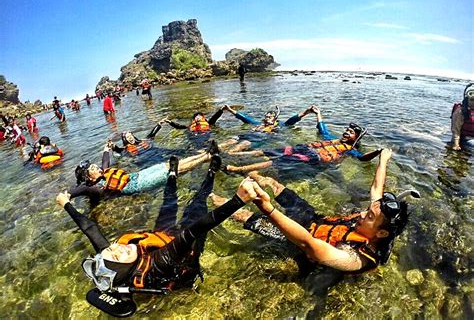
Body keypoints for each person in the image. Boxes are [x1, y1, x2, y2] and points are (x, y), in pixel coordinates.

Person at [55, 156, 255, 317]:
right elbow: (192, 231)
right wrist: (238, 200)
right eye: (117, 256)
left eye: (110, 249)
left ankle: (172, 175)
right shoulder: (160, 263)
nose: (116, 247)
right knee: (197, 202)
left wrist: (66, 203)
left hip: (159, 237)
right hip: (182, 246)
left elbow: (90, 228)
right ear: (126, 268)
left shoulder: (113, 260)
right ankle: (211, 171)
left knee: (168, 202)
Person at [212, 149, 419, 274]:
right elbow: (376, 189)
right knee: (277, 186)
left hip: (298, 237)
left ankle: (212, 199)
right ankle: (253, 175)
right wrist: (383, 160)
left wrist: (267, 209)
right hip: (314, 219)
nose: (363, 214)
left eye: (370, 217)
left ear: (381, 233)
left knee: (247, 217)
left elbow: (308, 244)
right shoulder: (381, 218)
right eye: (367, 211)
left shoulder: (356, 259)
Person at [224, 106, 382, 173]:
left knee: (277, 161)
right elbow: (322, 127)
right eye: (346, 130)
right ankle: (234, 156)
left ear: (357, 139)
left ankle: (238, 170)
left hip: (312, 157)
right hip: (304, 148)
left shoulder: (351, 150)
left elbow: (362, 159)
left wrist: (378, 152)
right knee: (268, 151)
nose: (346, 132)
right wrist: (317, 113)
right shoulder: (330, 138)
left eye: (351, 132)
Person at [67, 140, 221, 205]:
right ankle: (208, 156)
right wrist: (68, 195)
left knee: (169, 164)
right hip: (140, 184)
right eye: (92, 169)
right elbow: (83, 189)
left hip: (138, 175)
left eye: (95, 166)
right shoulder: (96, 188)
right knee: (176, 170)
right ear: (89, 178)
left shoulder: (104, 172)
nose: (97, 167)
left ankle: (206, 154)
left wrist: (107, 148)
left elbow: (105, 160)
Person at [223, 104, 319, 133]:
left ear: (275, 118)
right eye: (266, 116)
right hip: (251, 135)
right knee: (233, 139)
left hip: (261, 140)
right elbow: (244, 118)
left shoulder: (281, 125)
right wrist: (229, 109)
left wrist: (307, 111)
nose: (267, 117)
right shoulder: (257, 124)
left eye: (270, 116)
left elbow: (293, 119)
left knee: (244, 145)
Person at [451, 83, 474, 150]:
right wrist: (456, 144)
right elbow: (456, 130)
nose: (473, 102)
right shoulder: (460, 112)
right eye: (471, 100)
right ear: (467, 100)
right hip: (464, 139)